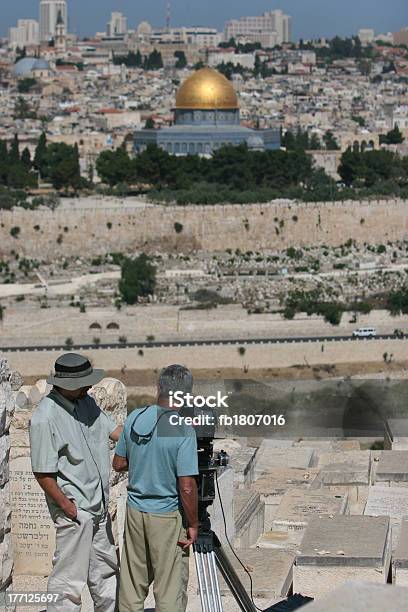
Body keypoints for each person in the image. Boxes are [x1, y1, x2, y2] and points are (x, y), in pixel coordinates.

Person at [29, 353, 123, 612]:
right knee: (68, 584)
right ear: (68, 385)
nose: (90, 387)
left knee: (106, 575)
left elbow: (114, 431)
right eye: (84, 383)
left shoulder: (87, 403)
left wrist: (148, 436)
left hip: (100, 510)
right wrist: (68, 508)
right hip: (76, 514)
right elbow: (42, 473)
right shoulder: (45, 418)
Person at [113, 364, 199, 612]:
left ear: (158, 388)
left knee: (132, 584)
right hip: (166, 515)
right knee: (169, 589)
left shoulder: (136, 417)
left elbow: (118, 464)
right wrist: (193, 524)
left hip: (135, 513)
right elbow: (186, 487)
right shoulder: (182, 428)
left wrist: (144, 458)